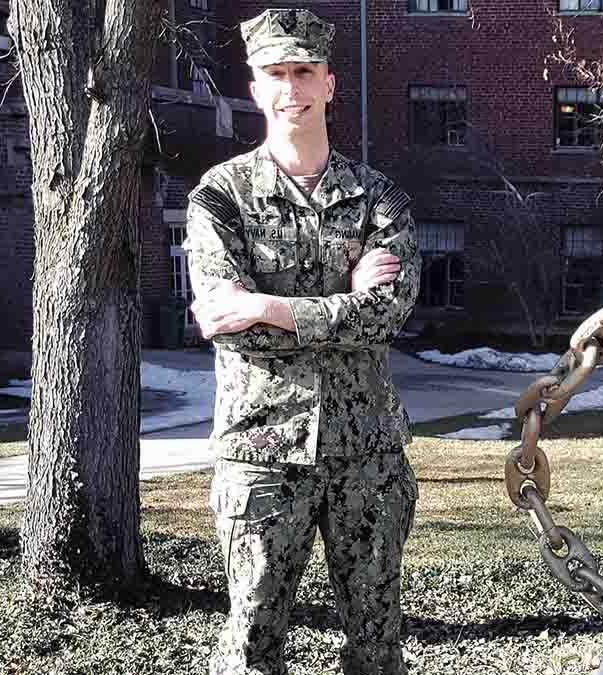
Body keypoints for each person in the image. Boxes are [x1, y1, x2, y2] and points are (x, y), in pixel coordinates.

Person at [182, 8, 422, 675]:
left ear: (330, 83)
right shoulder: (221, 200)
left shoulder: (379, 200)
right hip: (262, 452)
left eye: (305, 72)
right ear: (255, 87)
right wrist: (341, 298)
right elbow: (227, 324)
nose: (293, 88)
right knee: (252, 641)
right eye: (277, 74)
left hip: (368, 454)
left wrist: (268, 301)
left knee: (377, 645)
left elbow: (388, 311)